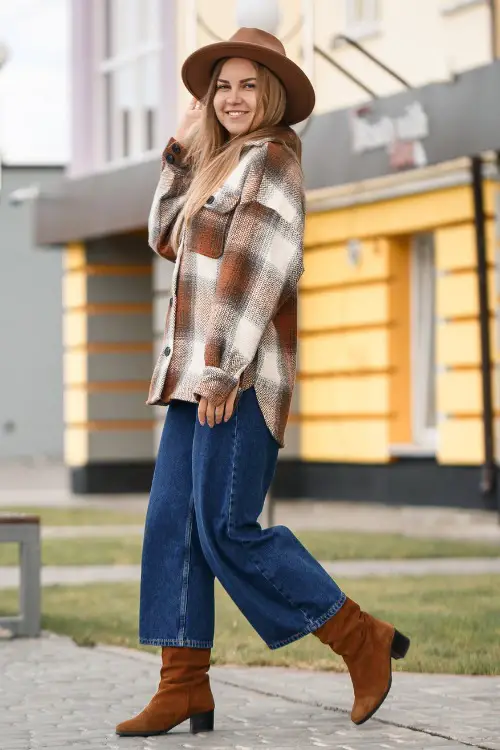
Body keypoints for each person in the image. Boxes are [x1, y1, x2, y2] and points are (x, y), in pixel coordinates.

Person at [116, 27, 410, 739]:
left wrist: (222, 369)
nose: (235, 97)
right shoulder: (219, 164)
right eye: (223, 86)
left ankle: (359, 637)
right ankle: (182, 683)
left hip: (238, 379)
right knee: (172, 527)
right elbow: (163, 235)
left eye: (249, 84)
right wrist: (184, 146)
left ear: (272, 93)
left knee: (224, 528)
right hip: (192, 380)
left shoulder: (272, 160)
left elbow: (256, 271)